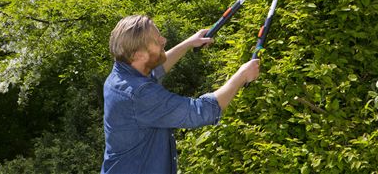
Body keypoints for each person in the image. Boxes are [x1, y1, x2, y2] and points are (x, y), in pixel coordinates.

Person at [101, 15, 260, 174]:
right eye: (157, 41)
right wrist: (242, 75)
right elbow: (201, 111)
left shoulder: (122, 74)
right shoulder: (139, 94)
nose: (164, 40)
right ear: (138, 54)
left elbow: (155, 70)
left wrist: (189, 43)